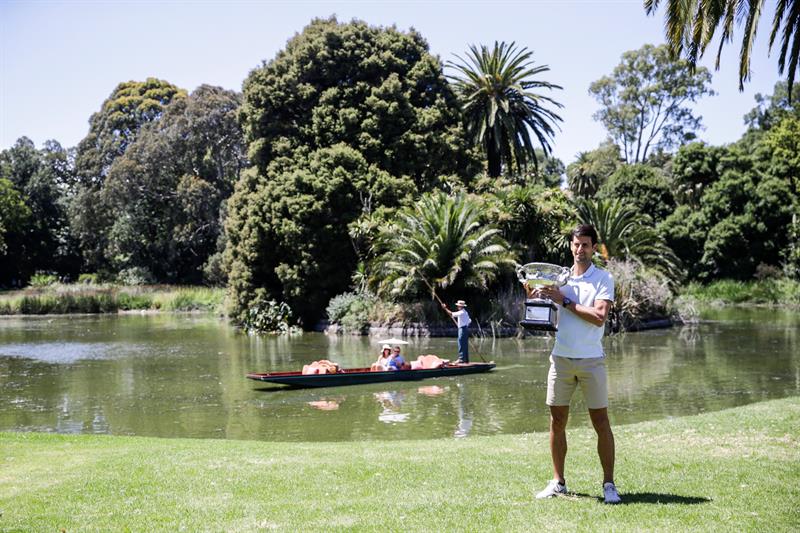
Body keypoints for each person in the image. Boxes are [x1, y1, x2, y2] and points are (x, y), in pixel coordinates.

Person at [526, 224, 621, 505]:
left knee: (601, 423)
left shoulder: (603, 278)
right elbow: (540, 310)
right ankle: (558, 482)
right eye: (576, 244)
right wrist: (533, 294)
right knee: (557, 421)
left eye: (586, 245)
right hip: (561, 358)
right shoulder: (558, 279)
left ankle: (609, 485)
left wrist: (564, 301)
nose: (580, 249)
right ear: (570, 246)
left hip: (592, 360)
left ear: (593, 248)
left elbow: (599, 317)